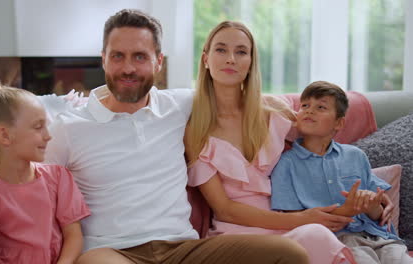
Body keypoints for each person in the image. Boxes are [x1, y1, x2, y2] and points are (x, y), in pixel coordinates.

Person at [45, 9, 310, 264]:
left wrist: (285, 106)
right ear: (103, 58)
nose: (128, 68)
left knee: (289, 253)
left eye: (139, 57)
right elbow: (32, 189)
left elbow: (234, 93)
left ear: (159, 61)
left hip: (183, 249)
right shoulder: (68, 129)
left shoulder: (179, 105)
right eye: (117, 56)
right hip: (112, 252)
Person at [184, 21, 356, 264]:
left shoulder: (274, 111)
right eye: (221, 50)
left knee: (316, 236)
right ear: (205, 59)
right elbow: (224, 209)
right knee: (315, 234)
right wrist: (301, 219)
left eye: (241, 51)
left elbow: (321, 148)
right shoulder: (196, 130)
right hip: (236, 231)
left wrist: (370, 190)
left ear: (251, 62)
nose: (231, 59)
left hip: (285, 225)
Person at [271, 81, 412, 264]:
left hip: (380, 238)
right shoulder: (285, 164)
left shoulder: (356, 156)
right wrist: (345, 210)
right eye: (304, 105)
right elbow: (292, 220)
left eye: (320, 107)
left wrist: (371, 205)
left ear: (339, 123)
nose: (309, 110)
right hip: (339, 241)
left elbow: (378, 212)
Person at [0, 79, 91, 264]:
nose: (48, 135)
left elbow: (74, 236)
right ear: (5, 135)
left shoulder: (58, 178)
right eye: (38, 127)